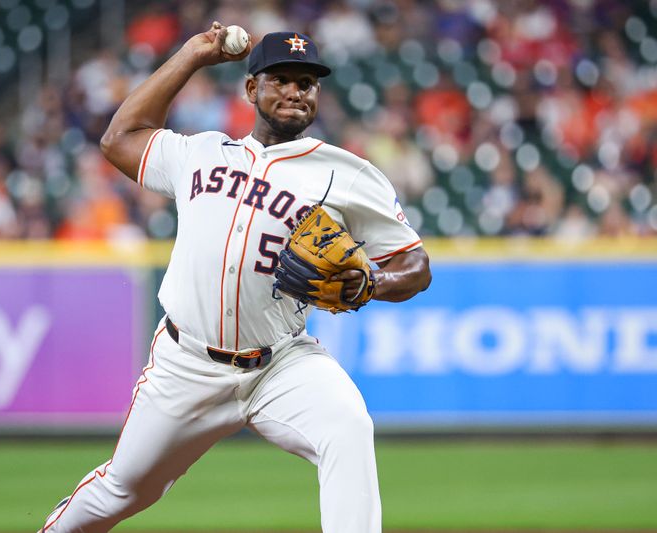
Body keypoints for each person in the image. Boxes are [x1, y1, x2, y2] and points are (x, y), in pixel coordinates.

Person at [40, 22, 431, 533]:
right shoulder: (200, 153)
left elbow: (416, 265)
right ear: (252, 88)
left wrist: (372, 282)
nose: (295, 91)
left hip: (281, 363)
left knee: (348, 427)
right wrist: (192, 56)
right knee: (124, 489)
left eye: (307, 83)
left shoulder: (347, 173)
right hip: (186, 364)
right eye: (281, 79)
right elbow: (119, 139)